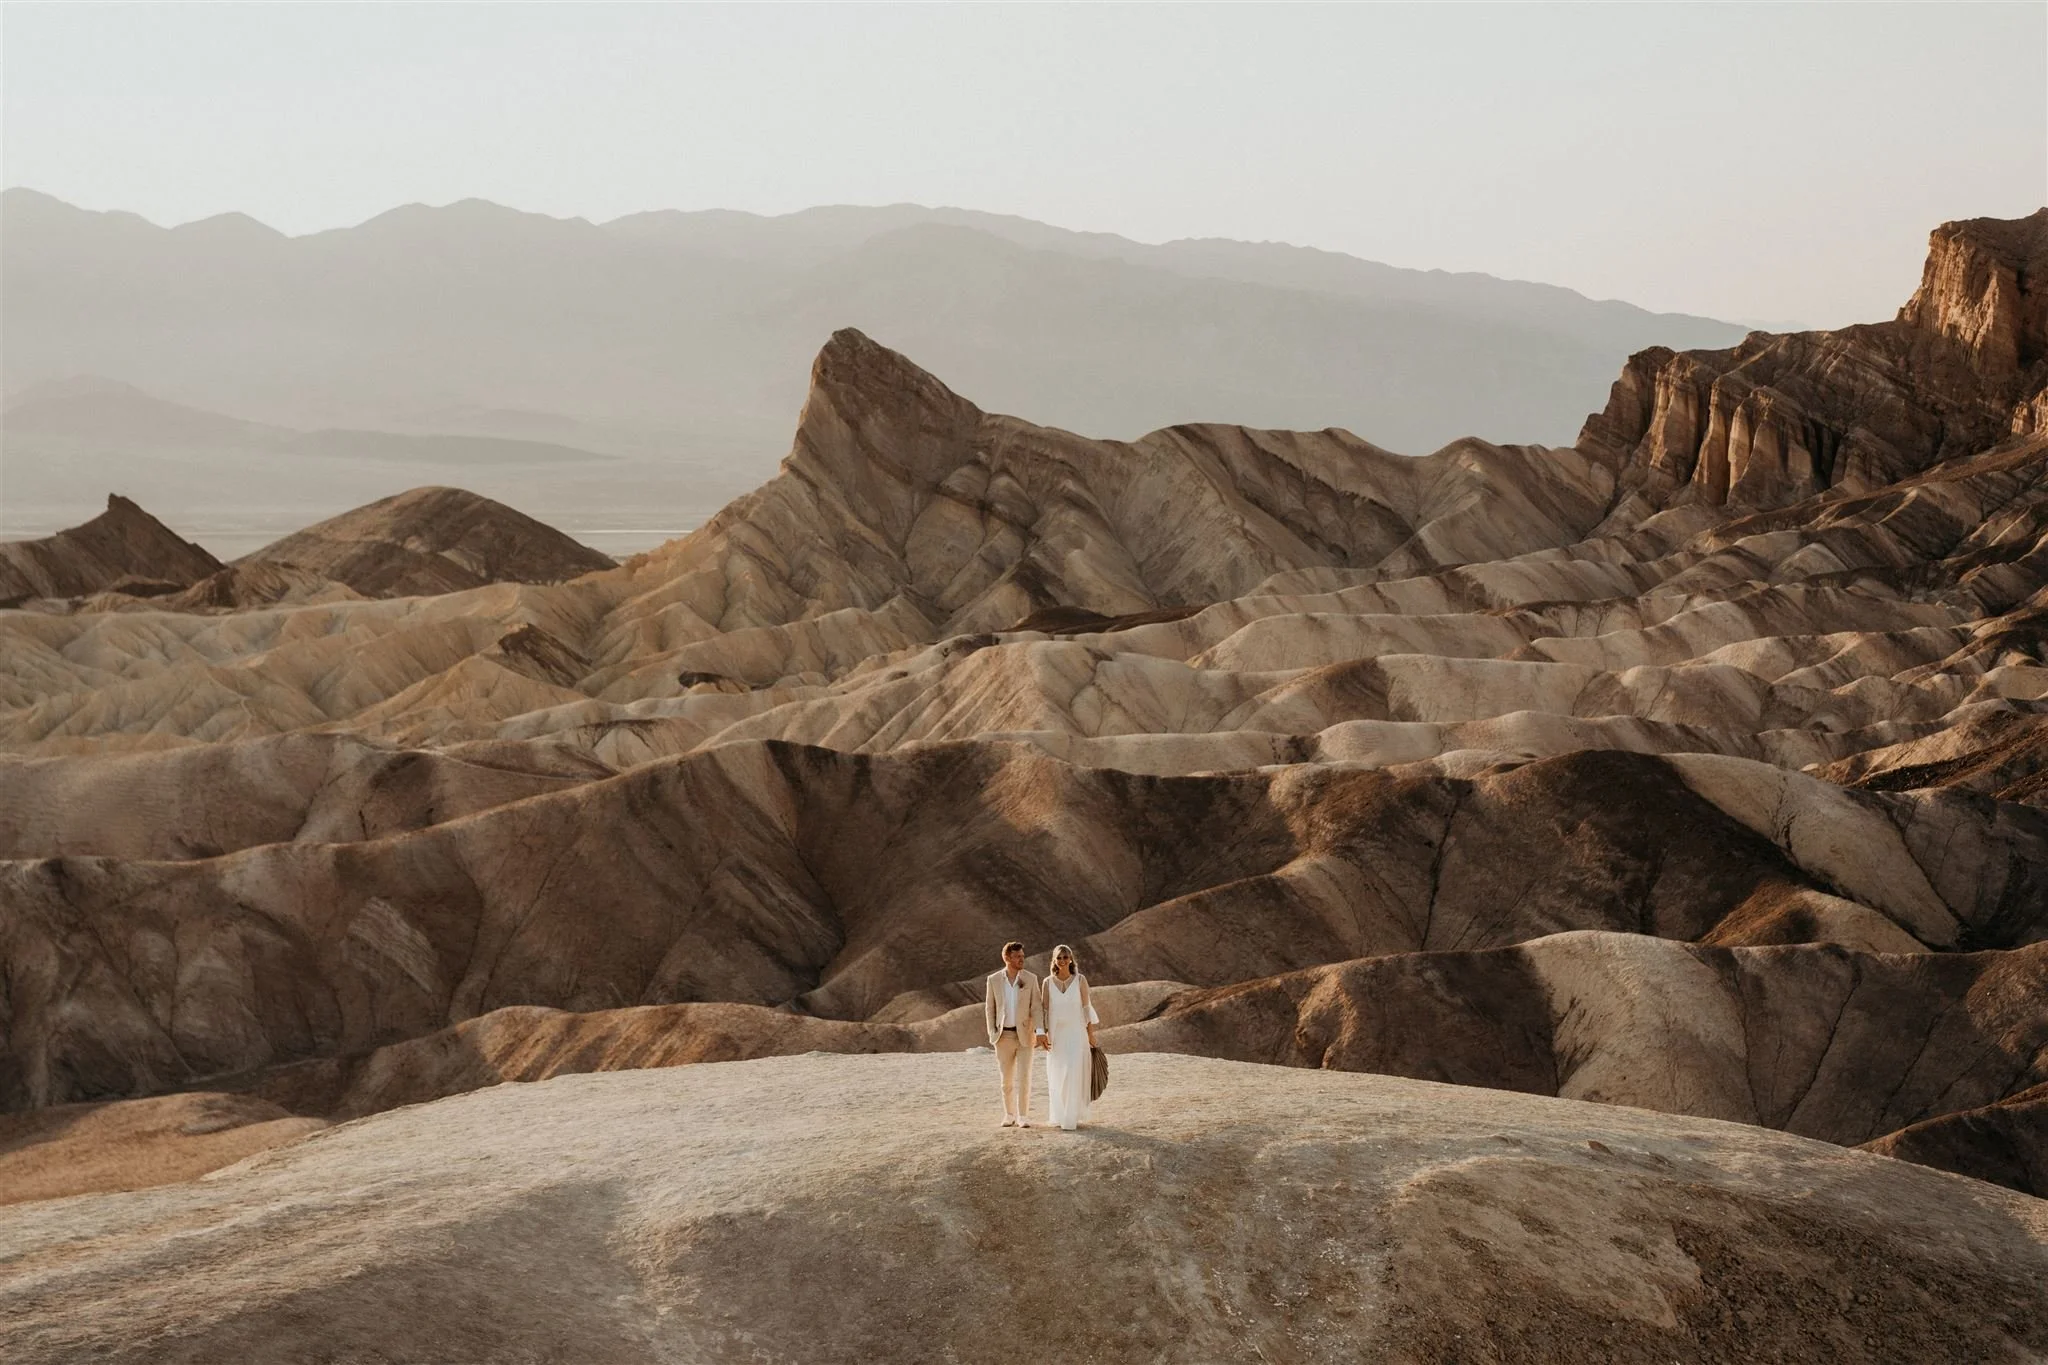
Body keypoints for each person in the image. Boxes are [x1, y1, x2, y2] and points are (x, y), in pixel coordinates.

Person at [1036, 943, 1100, 1131]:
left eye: (1066, 957)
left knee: (1073, 1071)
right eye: (1059, 957)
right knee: (1057, 1074)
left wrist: (1090, 1035)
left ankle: (1070, 1118)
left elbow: (1086, 1009)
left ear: (1071, 959)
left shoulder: (1080, 980)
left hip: (1076, 1033)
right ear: (1054, 961)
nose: (1063, 961)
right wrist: (1043, 1035)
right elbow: (1045, 1011)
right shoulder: (1047, 982)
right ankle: (1058, 1115)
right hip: (1057, 1035)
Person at [983, 941, 1042, 1127]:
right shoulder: (993, 980)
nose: (1022, 959)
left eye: (1023, 956)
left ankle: (1023, 1116)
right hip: (1003, 1037)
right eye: (1018, 957)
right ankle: (1009, 1114)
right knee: (1006, 1080)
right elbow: (989, 1008)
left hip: (1025, 1036)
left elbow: (1037, 1008)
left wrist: (1040, 1031)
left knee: (1025, 1077)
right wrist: (992, 1032)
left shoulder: (1031, 979)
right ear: (1007, 958)